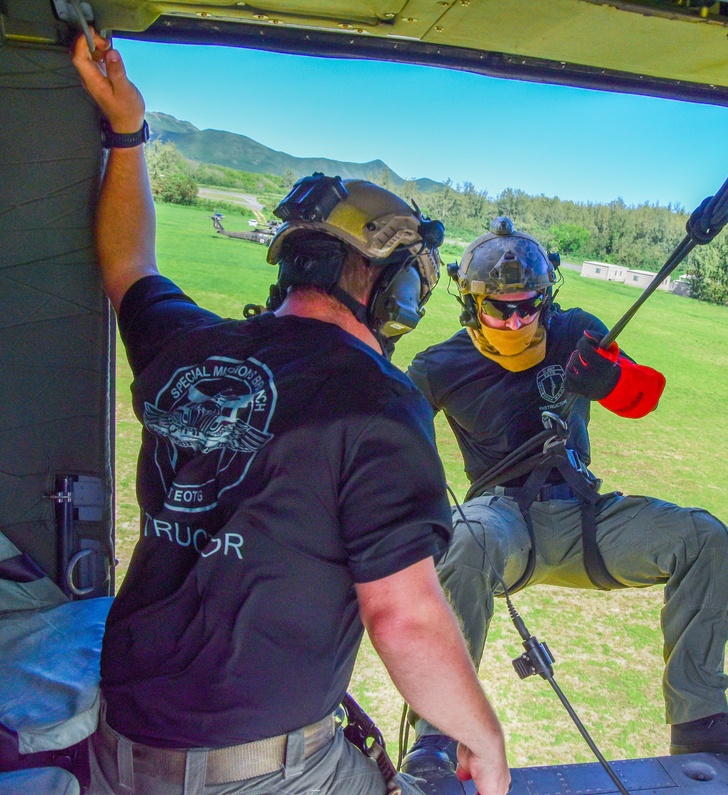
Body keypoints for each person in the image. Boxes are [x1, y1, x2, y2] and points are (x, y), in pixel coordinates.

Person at [71, 33, 509, 795]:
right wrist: (485, 736)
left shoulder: (190, 346)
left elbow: (127, 266)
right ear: (392, 289)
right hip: (260, 771)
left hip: (120, 749)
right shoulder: (380, 403)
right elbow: (403, 618)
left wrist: (126, 132)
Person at [402, 217, 728, 774]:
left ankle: (697, 721)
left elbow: (644, 395)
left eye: (527, 306)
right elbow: (389, 430)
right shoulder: (440, 365)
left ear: (546, 299)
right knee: (466, 538)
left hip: (586, 516)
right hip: (506, 521)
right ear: (470, 304)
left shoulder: (578, 332)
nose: (514, 320)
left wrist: (606, 381)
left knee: (704, 537)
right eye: (498, 309)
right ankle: (436, 739)